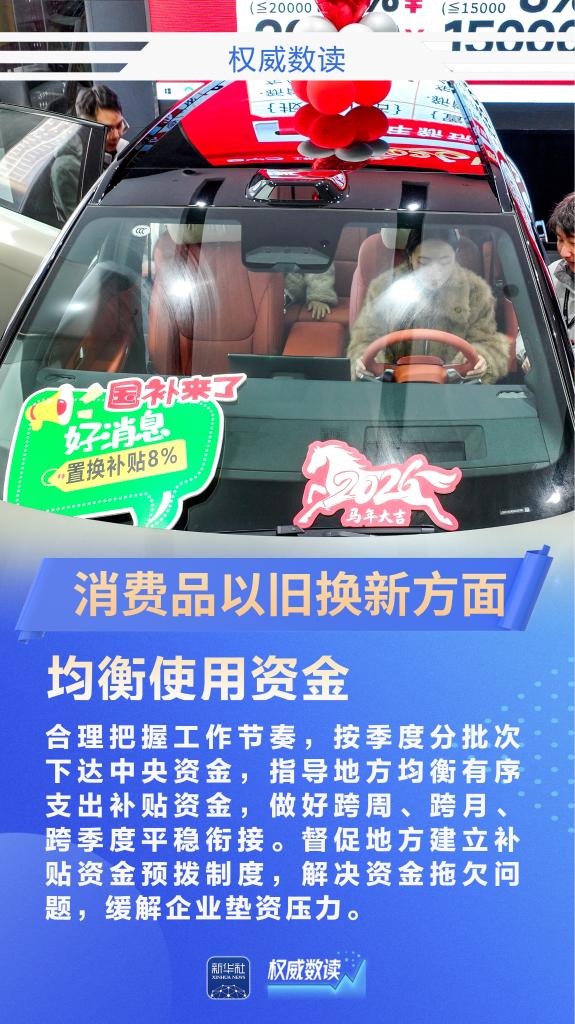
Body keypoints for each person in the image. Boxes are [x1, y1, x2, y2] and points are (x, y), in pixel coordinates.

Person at [347, 226, 509, 383]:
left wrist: (483, 359)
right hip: (392, 386)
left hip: (454, 387)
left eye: (445, 262)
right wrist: (364, 359)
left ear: (455, 255)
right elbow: (365, 339)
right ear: (410, 256)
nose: (435, 272)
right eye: (424, 262)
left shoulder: (475, 292)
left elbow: (487, 342)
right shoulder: (384, 288)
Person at [51, 85, 128, 223]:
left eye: (119, 125)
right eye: (107, 129)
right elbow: (82, 225)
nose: (116, 135)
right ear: (87, 128)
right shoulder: (66, 168)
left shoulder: (122, 148)